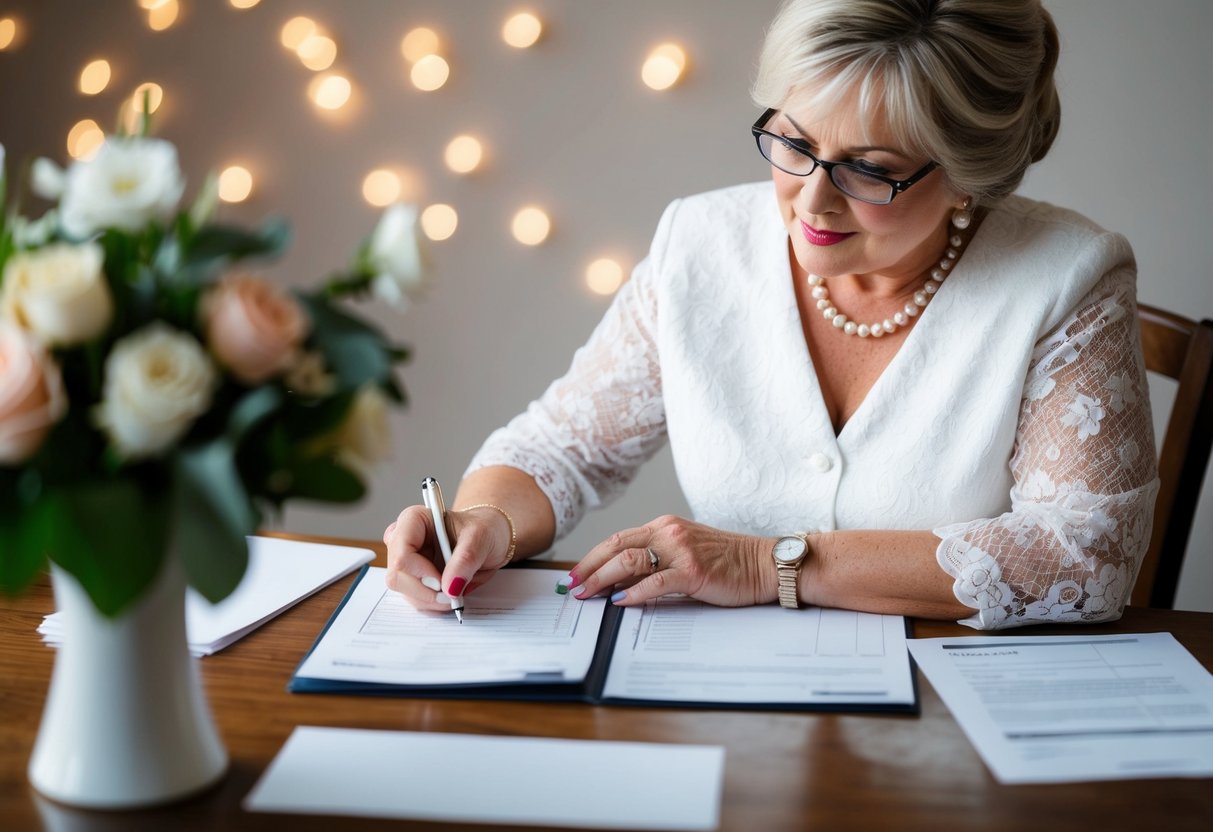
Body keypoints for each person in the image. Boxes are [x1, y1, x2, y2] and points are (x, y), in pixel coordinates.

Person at [384, 0, 1158, 629]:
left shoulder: (1067, 276)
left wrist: (767, 565)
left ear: (966, 179)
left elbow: (1085, 555)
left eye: (868, 170)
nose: (810, 200)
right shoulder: (699, 243)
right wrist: (483, 521)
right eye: (791, 141)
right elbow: (565, 446)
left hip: (955, 724)